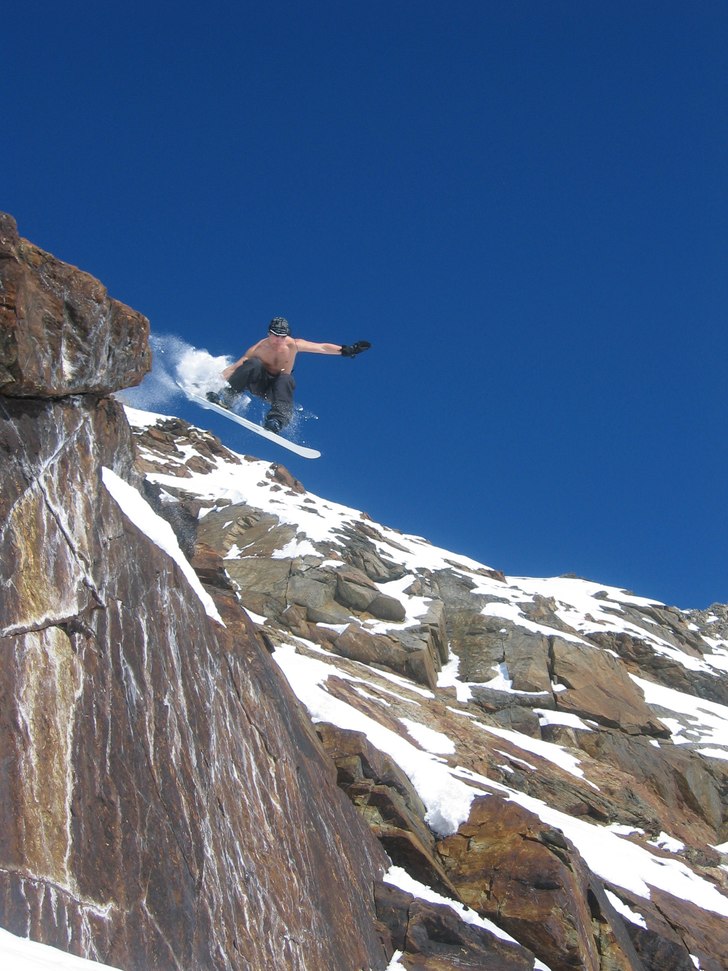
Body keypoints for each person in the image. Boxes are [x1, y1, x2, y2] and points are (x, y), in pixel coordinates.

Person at [207, 317, 371, 433]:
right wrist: (213, 385)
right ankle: (228, 397)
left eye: (282, 336)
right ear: (268, 333)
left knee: (286, 377)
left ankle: (276, 421)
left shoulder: (293, 345)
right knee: (252, 364)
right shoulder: (258, 348)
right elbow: (236, 367)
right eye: (275, 335)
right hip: (258, 384)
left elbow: (322, 347)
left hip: (276, 391)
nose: (279, 340)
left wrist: (347, 350)